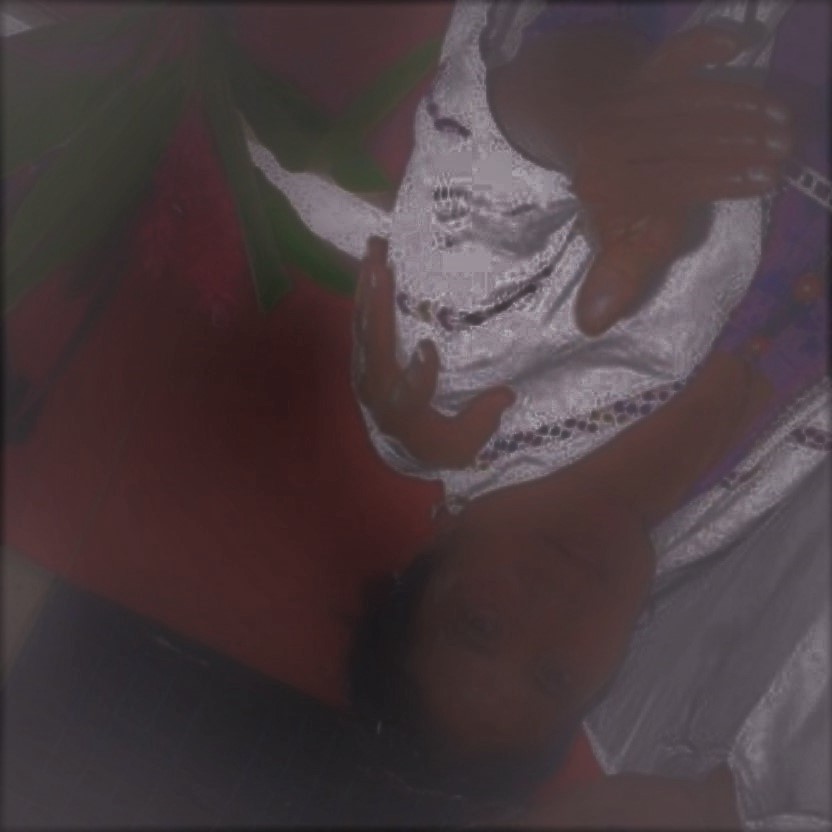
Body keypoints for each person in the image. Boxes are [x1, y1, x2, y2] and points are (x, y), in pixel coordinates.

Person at [247, 0, 829, 825]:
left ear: (434, 550)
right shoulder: (725, 553)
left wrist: (601, 136)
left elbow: (524, 104)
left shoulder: (452, 377)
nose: (550, 611)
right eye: (555, 677)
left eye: (480, 624)